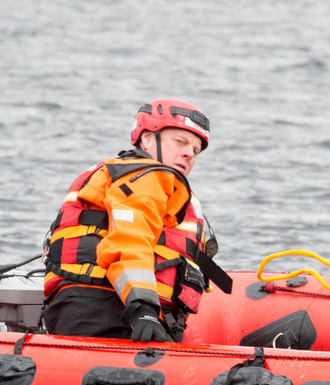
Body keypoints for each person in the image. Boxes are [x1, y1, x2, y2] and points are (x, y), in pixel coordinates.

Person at [41, 99, 228, 342]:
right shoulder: (145, 177)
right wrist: (143, 309)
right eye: (180, 142)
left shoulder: (142, 179)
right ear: (147, 139)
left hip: (92, 306)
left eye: (195, 150)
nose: (189, 154)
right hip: (112, 309)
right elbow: (129, 240)